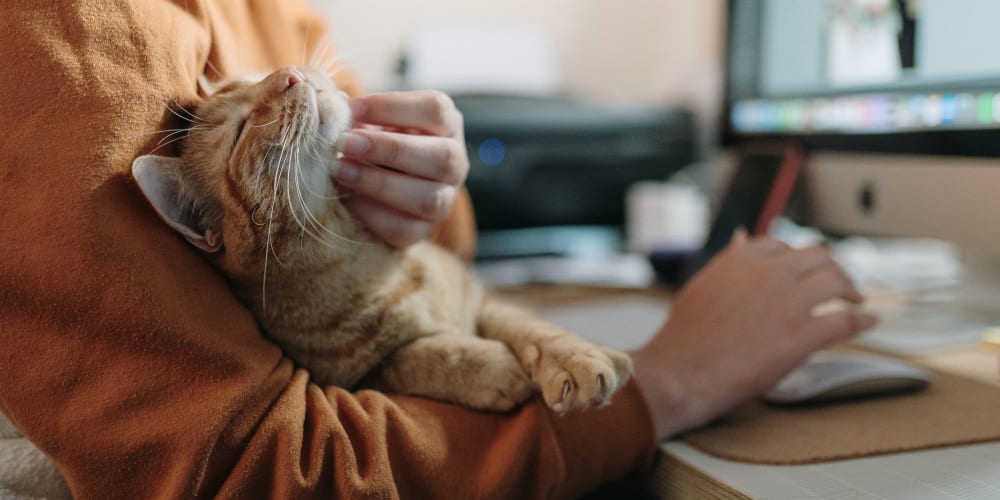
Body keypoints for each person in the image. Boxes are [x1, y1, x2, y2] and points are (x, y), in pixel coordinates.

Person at [0, 1, 876, 498]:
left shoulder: (279, 18)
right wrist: (672, 382)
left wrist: (427, 192)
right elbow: (255, 471)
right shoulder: (67, 35)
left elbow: (436, 254)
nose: (291, 85)